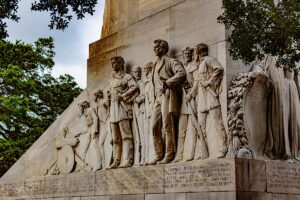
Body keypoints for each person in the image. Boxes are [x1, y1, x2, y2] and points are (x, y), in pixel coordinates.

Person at [148, 39, 186, 165]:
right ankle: (159, 154)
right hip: (157, 98)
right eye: (154, 48)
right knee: (154, 126)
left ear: (164, 48)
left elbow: (181, 73)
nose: (154, 49)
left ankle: (169, 154)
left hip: (167, 95)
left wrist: (168, 83)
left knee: (167, 125)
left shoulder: (170, 61)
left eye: (157, 48)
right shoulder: (154, 64)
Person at [186, 43, 227, 159]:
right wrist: (190, 94)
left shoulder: (208, 59)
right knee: (200, 126)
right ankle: (202, 151)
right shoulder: (198, 66)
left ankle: (223, 148)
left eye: (195, 53)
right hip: (202, 100)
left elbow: (219, 69)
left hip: (210, 96)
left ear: (199, 53)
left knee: (217, 122)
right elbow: (196, 84)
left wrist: (209, 82)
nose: (194, 56)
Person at [108, 56, 138, 168]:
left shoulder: (126, 77)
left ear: (121, 64)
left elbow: (134, 87)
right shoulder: (112, 79)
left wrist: (123, 95)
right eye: (112, 63)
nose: (113, 65)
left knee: (126, 136)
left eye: (115, 63)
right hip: (113, 110)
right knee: (115, 138)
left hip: (122, 108)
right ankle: (116, 160)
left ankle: (128, 159)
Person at [173, 47, 198, 162]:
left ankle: (193, 153)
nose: (187, 55)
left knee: (194, 128)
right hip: (183, 100)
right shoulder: (181, 68)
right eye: (185, 54)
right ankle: (179, 154)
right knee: (181, 129)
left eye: (189, 53)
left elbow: (197, 83)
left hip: (193, 99)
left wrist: (191, 94)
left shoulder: (195, 66)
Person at [131, 66, 146, 165]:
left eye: (139, 72)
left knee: (142, 135)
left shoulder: (142, 83)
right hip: (133, 113)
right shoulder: (131, 85)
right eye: (135, 72)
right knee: (136, 137)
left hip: (140, 112)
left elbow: (144, 95)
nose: (137, 73)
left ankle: (143, 157)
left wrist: (136, 99)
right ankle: (136, 159)